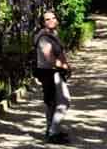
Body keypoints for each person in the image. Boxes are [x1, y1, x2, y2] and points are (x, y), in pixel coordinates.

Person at [33, 11, 71, 144]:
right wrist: (65, 66)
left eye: (53, 18)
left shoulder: (53, 34)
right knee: (64, 101)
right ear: (43, 23)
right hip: (50, 73)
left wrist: (66, 64)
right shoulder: (43, 37)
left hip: (54, 72)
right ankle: (53, 132)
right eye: (47, 19)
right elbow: (50, 58)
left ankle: (51, 131)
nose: (51, 20)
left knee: (52, 103)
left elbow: (59, 53)